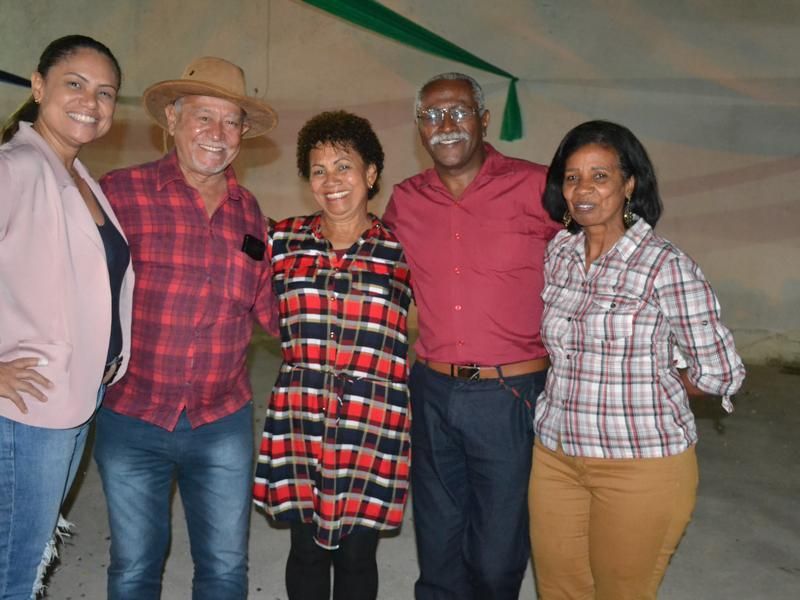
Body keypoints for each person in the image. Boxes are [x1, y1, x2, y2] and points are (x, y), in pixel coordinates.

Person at [529, 120, 746, 600]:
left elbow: (721, 371)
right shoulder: (560, 253)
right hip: (556, 458)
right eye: (572, 177)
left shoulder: (665, 266)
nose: (583, 189)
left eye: (600, 176)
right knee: (559, 589)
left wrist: (657, 382)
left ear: (629, 184)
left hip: (639, 465)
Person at [92, 57, 279, 599]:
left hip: (221, 420)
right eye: (203, 117)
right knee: (134, 568)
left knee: (225, 569)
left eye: (231, 121)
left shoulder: (250, 213)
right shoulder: (120, 194)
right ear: (172, 119)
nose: (218, 134)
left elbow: (271, 308)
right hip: (134, 416)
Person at [382, 72, 562, 599]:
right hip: (432, 390)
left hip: (510, 394)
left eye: (458, 111)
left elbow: (594, 253)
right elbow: (379, 277)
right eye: (432, 115)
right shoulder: (406, 200)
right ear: (419, 128)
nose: (446, 124)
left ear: (484, 120)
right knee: (437, 539)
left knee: (496, 552)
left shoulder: (537, 186)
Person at [253, 110, 412, 600]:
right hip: (301, 417)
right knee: (305, 549)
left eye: (344, 167)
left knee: (358, 553)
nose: (331, 180)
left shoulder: (402, 249)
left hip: (373, 418)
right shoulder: (282, 241)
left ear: (371, 173)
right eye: (318, 170)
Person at [0, 35, 133, 598]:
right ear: (38, 86)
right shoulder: (14, 168)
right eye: (74, 84)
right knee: (15, 563)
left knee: (31, 551)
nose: (90, 102)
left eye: (105, 93)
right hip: (29, 407)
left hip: (76, 396)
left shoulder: (79, 177)